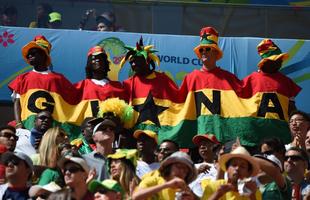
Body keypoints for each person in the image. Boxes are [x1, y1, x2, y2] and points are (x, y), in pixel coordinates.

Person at [178, 26, 243, 145]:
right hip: (197, 138)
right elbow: (178, 102)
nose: (203, 52)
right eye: (201, 50)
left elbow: (245, 98)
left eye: (207, 49)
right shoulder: (190, 78)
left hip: (221, 138)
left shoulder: (228, 78)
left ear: (215, 52)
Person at [8, 35, 78, 131]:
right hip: (27, 127)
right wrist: (19, 124)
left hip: (52, 130)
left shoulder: (59, 79)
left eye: (33, 52)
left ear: (43, 54)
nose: (29, 55)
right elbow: (17, 102)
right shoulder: (22, 78)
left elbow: (72, 102)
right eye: (28, 53)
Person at [121, 37, 181, 130]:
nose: (133, 64)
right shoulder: (127, 84)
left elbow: (178, 102)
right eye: (131, 62)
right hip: (136, 135)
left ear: (147, 61)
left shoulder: (163, 79)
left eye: (137, 61)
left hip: (159, 134)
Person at [74, 46, 127, 119]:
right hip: (90, 128)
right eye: (94, 58)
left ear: (106, 63)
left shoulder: (118, 86)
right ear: (89, 63)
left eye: (101, 58)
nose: (97, 60)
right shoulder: (80, 87)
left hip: (112, 128)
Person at [133, 151, 197, 200]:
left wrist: (193, 198)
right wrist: (167, 185)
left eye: (185, 171)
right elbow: (136, 196)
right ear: (169, 167)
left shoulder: (185, 189)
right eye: (178, 167)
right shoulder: (153, 180)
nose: (181, 171)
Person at [190, 134, 220, 198]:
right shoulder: (193, 167)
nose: (202, 147)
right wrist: (197, 172)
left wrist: (220, 169)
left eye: (206, 144)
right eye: (200, 145)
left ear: (216, 147)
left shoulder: (223, 166)